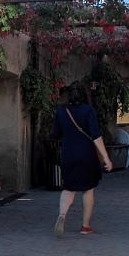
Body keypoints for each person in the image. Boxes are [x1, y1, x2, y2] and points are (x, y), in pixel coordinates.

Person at [51, 82, 112, 237]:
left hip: (68, 154)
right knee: (88, 189)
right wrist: (106, 158)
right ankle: (85, 226)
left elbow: (55, 134)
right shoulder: (88, 110)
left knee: (68, 188)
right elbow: (96, 136)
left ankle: (62, 215)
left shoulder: (61, 111)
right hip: (87, 155)